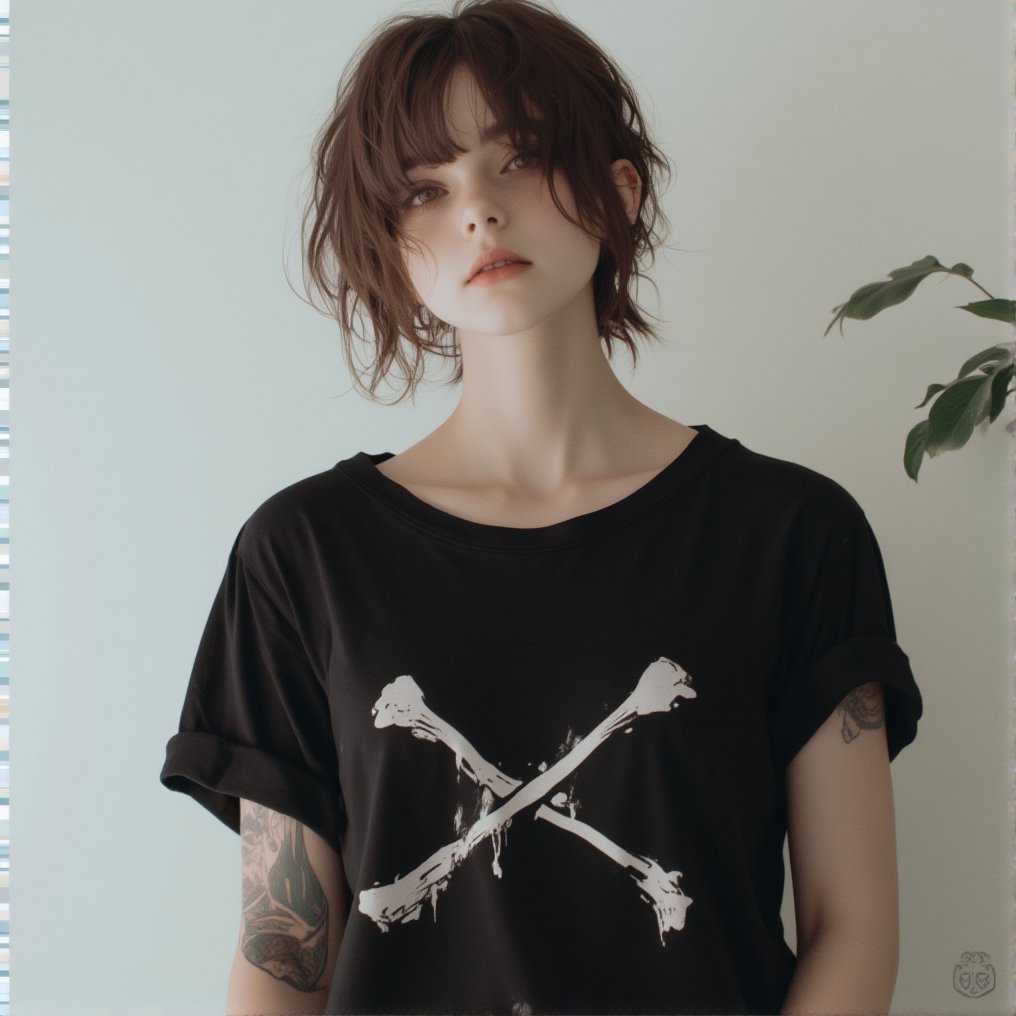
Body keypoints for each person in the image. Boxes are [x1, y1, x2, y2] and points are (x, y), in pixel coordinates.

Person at [160, 1, 923, 1013]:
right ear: (389, 249)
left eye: (515, 159)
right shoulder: (302, 556)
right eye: (424, 188)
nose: (476, 208)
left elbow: (852, 924)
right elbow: (281, 953)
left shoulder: (790, 534)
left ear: (617, 188)